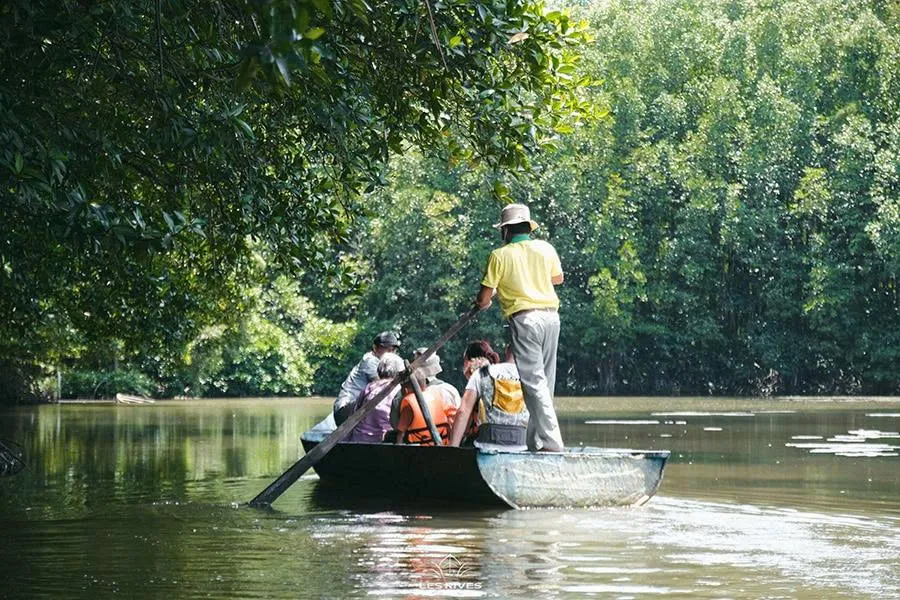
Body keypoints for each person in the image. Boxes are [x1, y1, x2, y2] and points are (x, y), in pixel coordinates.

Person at [474, 203, 565, 452]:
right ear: (528, 227)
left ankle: (551, 443)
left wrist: (488, 298)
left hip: (525, 319)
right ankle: (535, 443)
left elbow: (483, 300)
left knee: (534, 384)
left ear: (505, 231)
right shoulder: (546, 248)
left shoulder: (499, 255)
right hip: (551, 317)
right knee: (545, 382)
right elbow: (558, 278)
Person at [450, 341, 529, 449]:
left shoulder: (482, 372)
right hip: (520, 445)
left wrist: (452, 448)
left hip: (486, 445)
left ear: (506, 350)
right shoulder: (531, 378)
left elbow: (463, 411)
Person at [333, 331, 400, 425]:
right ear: (375, 348)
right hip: (345, 409)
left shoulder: (382, 362)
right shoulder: (370, 361)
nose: (391, 354)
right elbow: (385, 386)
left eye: (393, 351)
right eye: (388, 350)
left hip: (356, 408)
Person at [347, 353, 405, 443]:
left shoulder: (369, 387)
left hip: (360, 438)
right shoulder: (399, 389)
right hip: (384, 440)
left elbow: (355, 410)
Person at [393, 368, 457, 445]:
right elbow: (450, 420)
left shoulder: (409, 404)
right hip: (442, 445)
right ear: (424, 384)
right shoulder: (438, 396)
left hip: (420, 450)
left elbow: (401, 433)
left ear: (405, 389)